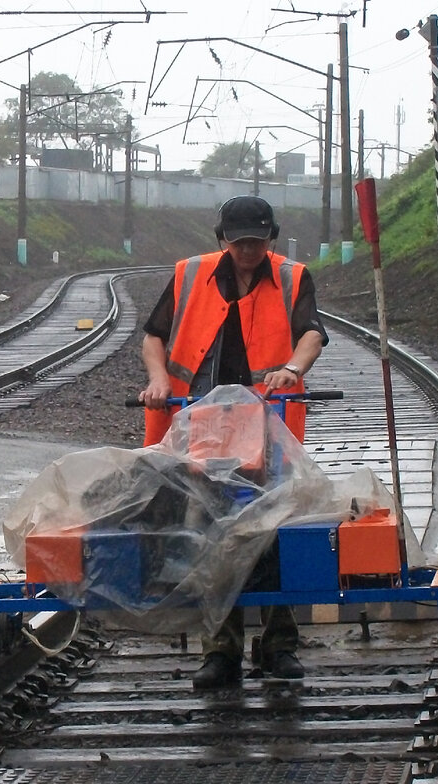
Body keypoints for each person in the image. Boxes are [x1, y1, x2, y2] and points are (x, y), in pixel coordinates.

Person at [137, 194, 327, 690]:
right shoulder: (189, 275)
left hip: (269, 422)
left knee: (275, 531)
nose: (248, 251)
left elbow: (312, 333)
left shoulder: (291, 276)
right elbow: (153, 336)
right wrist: (158, 380)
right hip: (201, 425)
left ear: (271, 238)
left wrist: (293, 368)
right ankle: (219, 651)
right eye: (239, 242)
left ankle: (279, 645)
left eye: (257, 242)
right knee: (211, 533)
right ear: (222, 239)